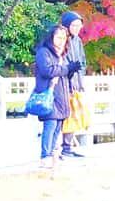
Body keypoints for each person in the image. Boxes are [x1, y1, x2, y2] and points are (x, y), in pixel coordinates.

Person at [34, 25, 81, 168]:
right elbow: (47, 70)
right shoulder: (44, 52)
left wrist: (71, 71)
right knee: (50, 124)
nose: (61, 41)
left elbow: (63, 73)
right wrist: (67, 69)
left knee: (58, 125)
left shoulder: (62, 54)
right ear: (51, 37)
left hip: (62, 94)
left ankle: (54, 154)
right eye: (58, 37)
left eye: (64, 38)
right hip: (50, 93)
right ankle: (45, 156)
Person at [60, 11, 87, 158]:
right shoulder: (61, 38)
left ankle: (67, 147)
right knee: (63, 115)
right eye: (74, 25)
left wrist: (80, 79)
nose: (77, 28)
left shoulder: (77, 41)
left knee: (74, 114)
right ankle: (57, 149)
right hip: (63, 81)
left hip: (76, 83)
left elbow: (82, 62)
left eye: (79, 25)